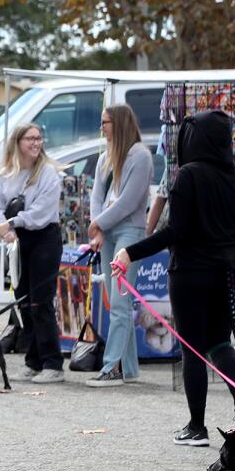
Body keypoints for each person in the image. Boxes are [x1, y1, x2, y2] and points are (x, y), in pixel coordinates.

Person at [114, 110, 235, 447]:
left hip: (192, 273)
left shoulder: (187, 176)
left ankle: (197, 426)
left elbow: (174, 232)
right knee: (221, 343)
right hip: (229, 274)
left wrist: (129, 252)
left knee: (192, 348)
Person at [85, 103, 154, 388]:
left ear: (120, 123)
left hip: (129, 230)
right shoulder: (106, 157)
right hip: (108, 230)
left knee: (121, 300)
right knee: (116, 300)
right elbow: (97, 195)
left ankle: (112, 367)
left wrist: (99, 223)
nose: (102, 128)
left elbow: (130, 200)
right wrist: (98, 226)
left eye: (106, 122)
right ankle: (127, 367)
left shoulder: (141, 155)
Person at [0, 123, 65, 385]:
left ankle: (53, 362)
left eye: (39, 138)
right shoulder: (7, 173)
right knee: (23, 299)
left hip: (45, 238)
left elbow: (42, 212)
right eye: (30, 138)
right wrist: (6, 229)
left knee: (41, 301)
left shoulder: (47, 173)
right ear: (17, 141)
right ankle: (33, 361)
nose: (36, 143)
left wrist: (12, 223)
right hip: (21, 241)